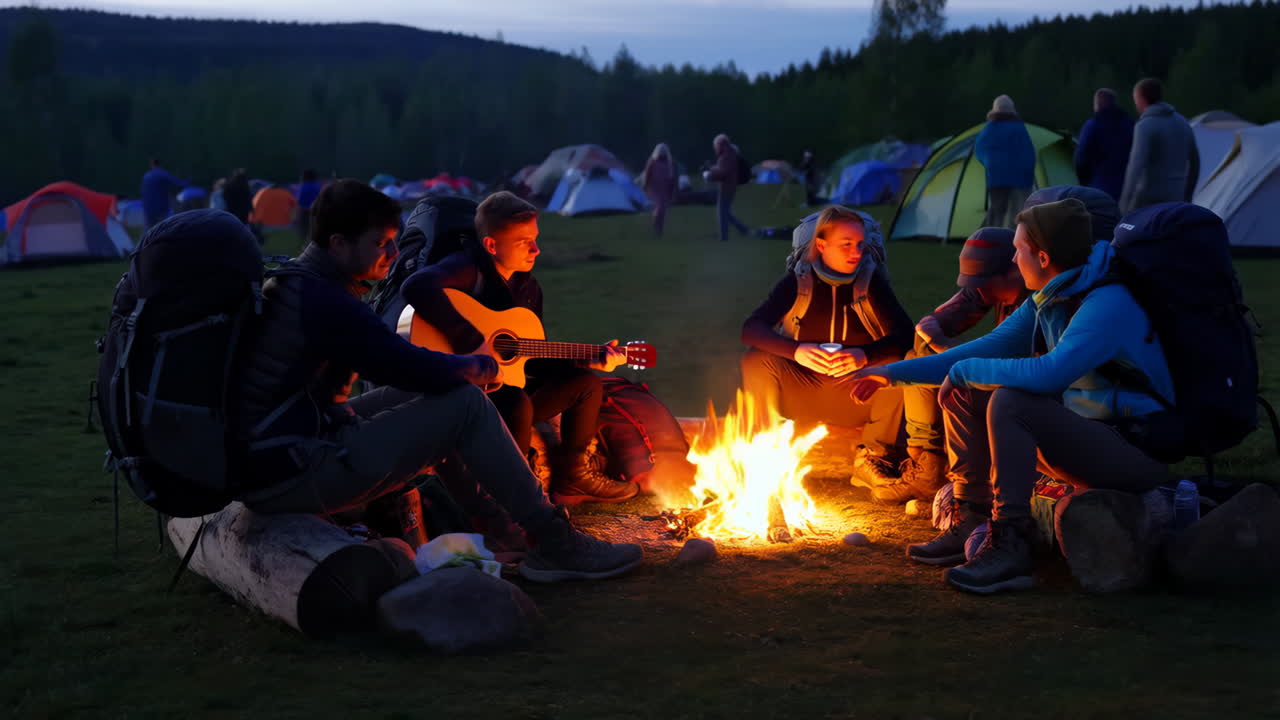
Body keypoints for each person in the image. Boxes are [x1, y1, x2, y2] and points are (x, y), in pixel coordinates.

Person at [233, 180, 643, 583]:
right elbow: (402, 364)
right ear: (338, 243)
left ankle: (501, 528)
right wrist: (478, 366)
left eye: (395, 241)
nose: (394, 253)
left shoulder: (301, 282)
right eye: (381, 243)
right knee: (464, 402)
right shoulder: (327, 301)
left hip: (283, 449)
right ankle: (555, 542)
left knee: (451, 394)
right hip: (295, 468)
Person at [849, 197, 1173, 594]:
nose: (1013, 260)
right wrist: (888, 374)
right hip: (1088, 436)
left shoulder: (1106, 304)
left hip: (1134, 450)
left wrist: (965, 372)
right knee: (973, 386)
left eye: (1017, 250)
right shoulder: (1052, 296)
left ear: (1041, 256)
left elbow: (1053, 372)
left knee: (1010, 399)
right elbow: (983, 349)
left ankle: (1010, 542)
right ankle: (970, 516)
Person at [401, 191, 641, 506]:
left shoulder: (527, 289)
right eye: (523, 241)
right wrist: (472, 342)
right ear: (491, 245)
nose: (536, 249)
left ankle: (575, 475)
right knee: (516, 402)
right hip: (454, 394)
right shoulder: (466, 268)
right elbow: (415, 287)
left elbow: (526, 360)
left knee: (585, 384)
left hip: (500, 390)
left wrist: (587, 360)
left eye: (536, 238)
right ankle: (515, 500)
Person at [741, 205, 914, 485]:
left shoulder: (870, 284)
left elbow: (905, 335)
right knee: (756, 361)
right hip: (804, 390)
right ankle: (765, 453)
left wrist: (864, 354)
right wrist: (796, 352)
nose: (855, 252)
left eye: (860, 244)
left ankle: (875, 458)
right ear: (821, 245)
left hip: (856, 392)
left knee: (901, 363)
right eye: (845, 244)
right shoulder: (798, 282)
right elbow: (751, 329)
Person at [867, 227, 1030, 503]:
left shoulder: (1032, 306)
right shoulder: (993, 288)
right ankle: (926, 462)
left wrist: (942, 345)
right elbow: (955, 309)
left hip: (1019, 395)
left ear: (1011, 272)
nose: (976, 288)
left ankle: (943, 474)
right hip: (1000, 380)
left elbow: (1003, 368)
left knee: (952, 377)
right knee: (918, 350)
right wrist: (932, 328)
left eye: (981, 281)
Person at [1119, 77, 1200, 214]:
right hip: (1176, 196)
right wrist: (1187, 196)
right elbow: (1195, 163)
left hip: (1148, 199)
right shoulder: (1182, 122)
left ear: (1142, 99)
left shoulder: (1145, 126)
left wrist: (1123, 205)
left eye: (1135, 98)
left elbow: (1135, 167)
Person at [974, 96, 1036, 229]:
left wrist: (991, 164)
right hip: (1020, 179)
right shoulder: (1019, 128)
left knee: (997, 211)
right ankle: (1012, 242)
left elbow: (979, 150)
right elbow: (1028, 153)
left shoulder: (989, 129)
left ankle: (989, 240)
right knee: (1017, 214)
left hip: (996, 178)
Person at [1074, 88, 1134, 202]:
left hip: (1099, 186)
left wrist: (1083, 183)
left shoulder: (1093, 125)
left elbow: (1080, 158)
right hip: (1127, 187)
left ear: (1097, 104)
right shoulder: (1130, 125)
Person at [704, 133, 749, 242]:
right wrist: (712, 168)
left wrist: (708, 175)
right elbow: (723, 169)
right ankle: (742, 229)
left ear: (720, 144)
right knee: (725, 213)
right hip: (729, 187)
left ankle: (724, 237)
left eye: (716, 146)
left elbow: (723, 173)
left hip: (726, 188)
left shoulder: (726, 156)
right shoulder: (730, 154)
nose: (715, 148)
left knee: (722, 214)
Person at [639, 143, 677, 237]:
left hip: (664, 188)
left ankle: (659, 228)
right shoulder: (652, 161)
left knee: (663, 209)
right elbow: (647, 174)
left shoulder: (669, 162)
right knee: (659, 207)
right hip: (654, 188)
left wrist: (671, 190)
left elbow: (672, 177)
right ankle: (656, 226)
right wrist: (645, 186)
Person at [140, 158, 187, 230]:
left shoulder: (146, 176)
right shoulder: (163, 173)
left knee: (149, 229)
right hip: (160, 205)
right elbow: (178, 183)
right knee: (162, 228)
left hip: (147, 206)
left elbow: (143, 191)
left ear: (151, 165)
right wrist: (188, 182)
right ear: (160, 164)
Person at [295, 169, 323, 240]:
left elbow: (300, 203)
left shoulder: (303, 187)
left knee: (303, 232)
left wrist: (297, 217)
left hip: (305, 212)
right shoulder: (318, 186)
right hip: (317, 211)